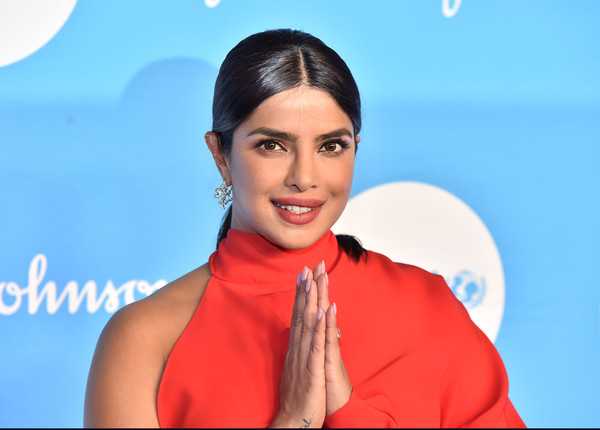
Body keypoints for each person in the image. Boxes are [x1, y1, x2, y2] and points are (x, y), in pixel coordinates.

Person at [84, 28, 526, 428]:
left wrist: (348, 412)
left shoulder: (427, 308)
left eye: (331, 146)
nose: (305, 176)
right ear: (221, 155)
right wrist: (295, 420)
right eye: (272, 145)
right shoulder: (143, 340)